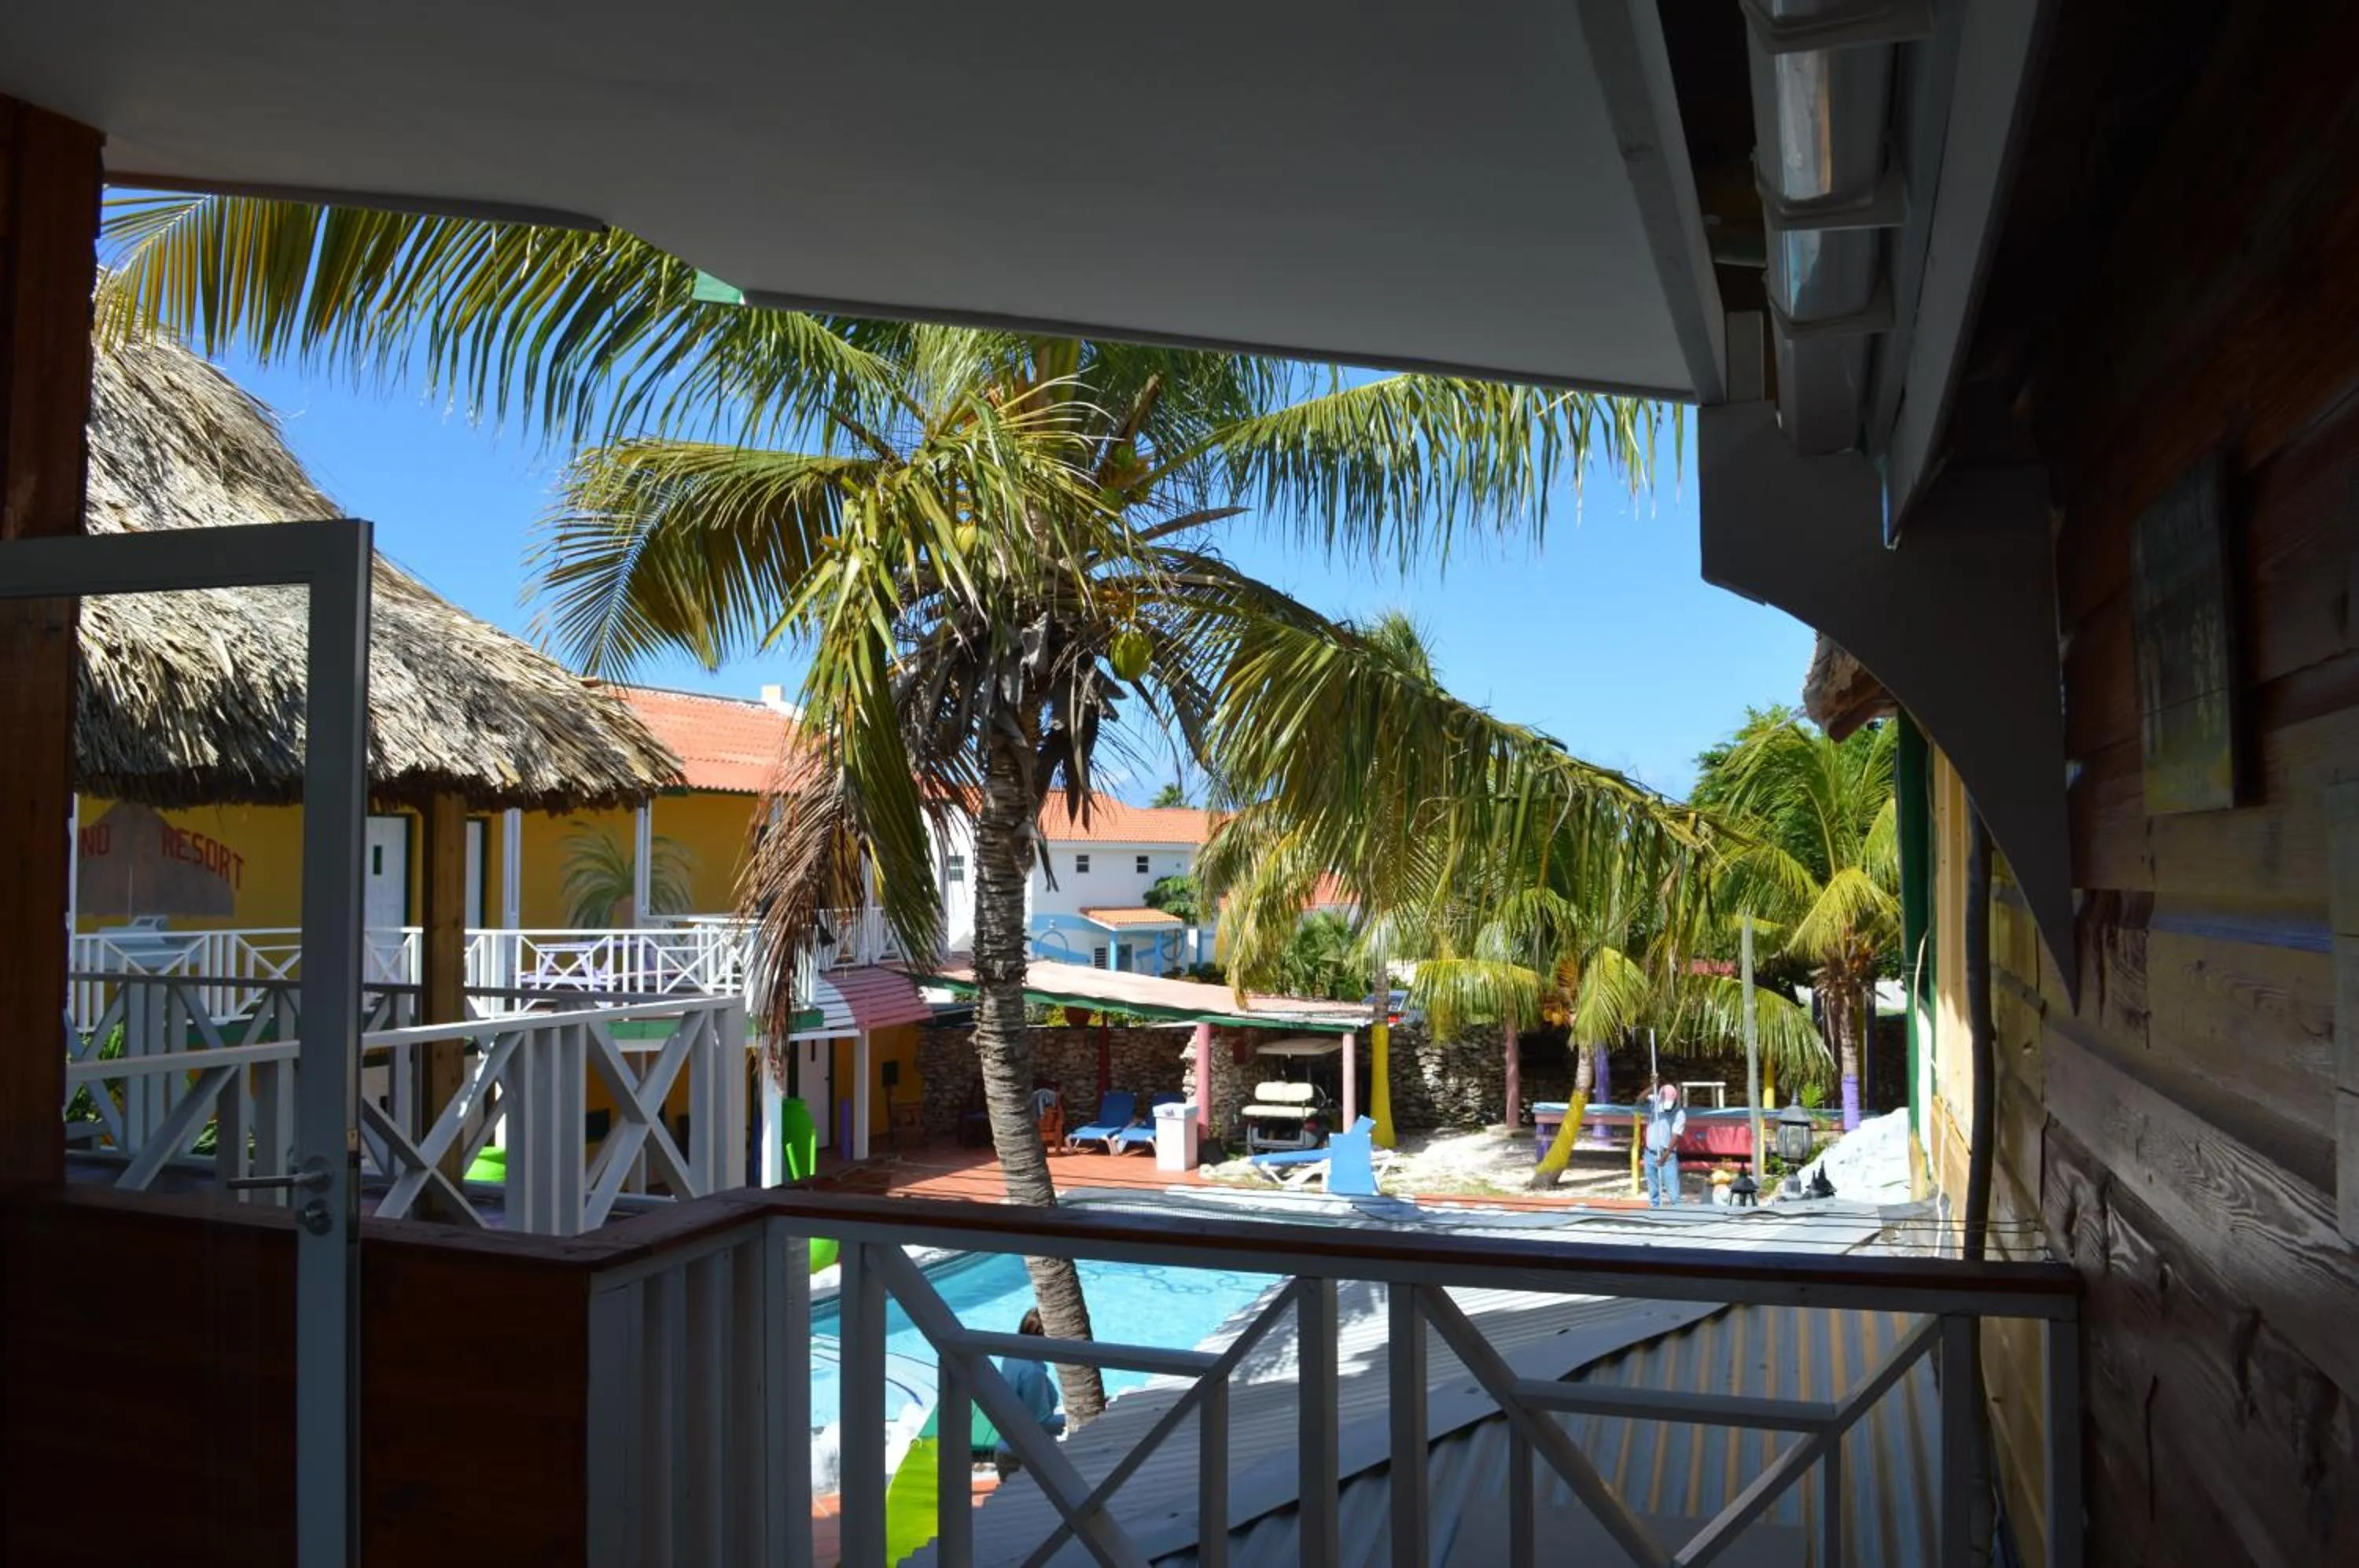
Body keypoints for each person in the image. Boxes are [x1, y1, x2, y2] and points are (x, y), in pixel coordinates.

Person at [995, 1307, 1065, 1478]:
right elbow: (1040, 1424)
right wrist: (1075, 1416)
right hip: (1025, 1459)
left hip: (1008, 1451)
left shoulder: (1012, 1358)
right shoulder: (1032, 1373)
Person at [1643, 1081, 1687, 1207]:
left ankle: (1678, 1214)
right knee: (1653, 1193)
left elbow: (1676, 1135)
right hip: (1650, 1153)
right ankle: (1655, 1212)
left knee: (1674, 1195)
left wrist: (1666, 1154)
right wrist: (1652, 1086)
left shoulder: (1679, 1114)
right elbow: (1639, 1100)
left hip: (1668, 1156)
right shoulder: (1655, 1102)